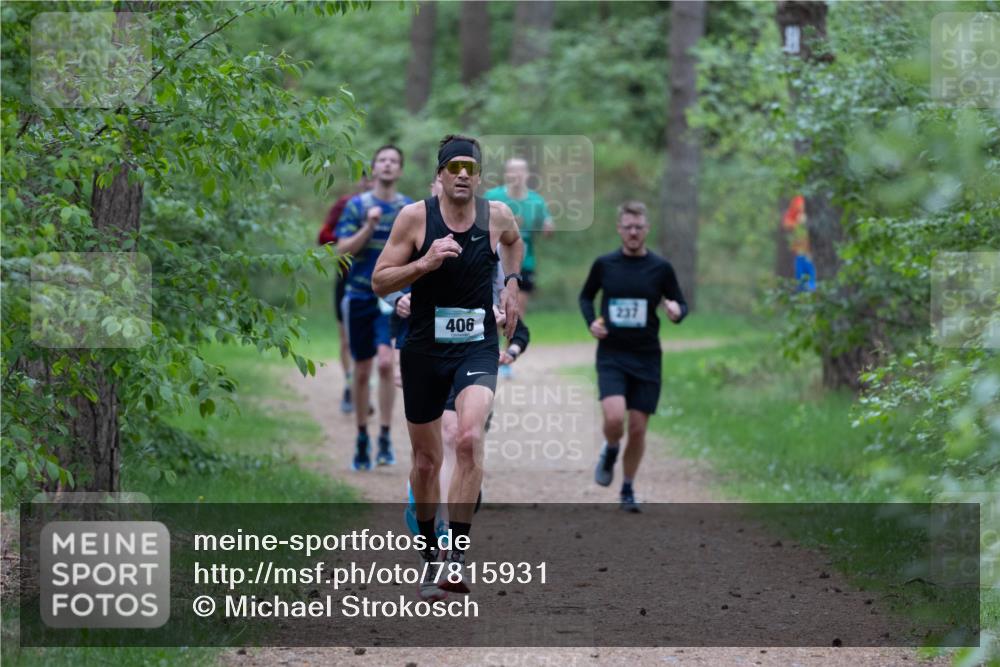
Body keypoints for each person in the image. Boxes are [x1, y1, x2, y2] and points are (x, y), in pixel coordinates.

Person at [372, 134, 523, 600]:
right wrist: (425, 263)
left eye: (470, 168)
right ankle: (429, 554)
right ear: (439, 174)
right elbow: (380, 281)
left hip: (476, 344)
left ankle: (455, 558)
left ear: (479, 177)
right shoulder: (415, 217)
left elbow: (514, 245)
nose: (462, 174)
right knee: (425, 461)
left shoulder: (497, 215)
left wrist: (511, 283)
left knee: (469, 437)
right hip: (423, 349)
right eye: (453, 166)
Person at [578, 201, 687, 513]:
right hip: (612, 353)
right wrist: (591, 322)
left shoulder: (661, 268)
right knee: (614, 419)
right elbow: (586, 296)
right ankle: (611, 448)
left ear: (647, 229)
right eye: (628, 227)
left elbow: (679, 302)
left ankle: (627, 487)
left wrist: (677, 311)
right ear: (619, 229)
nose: (634, 232)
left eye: (639, 227)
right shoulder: (605, 264)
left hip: (647, 356)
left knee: (638, 427)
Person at [335, 146, 413, 470]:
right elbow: (341, 249)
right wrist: (368, 227)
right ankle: (362, 436)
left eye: (394, 161)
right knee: (363, 369)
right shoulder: (357, 206)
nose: (388, 165)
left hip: (394, 298)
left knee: (385, 364)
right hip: (359, 296)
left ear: (400, 170)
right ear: (374, 167)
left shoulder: (409, 209)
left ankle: (384, 435)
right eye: (382, 160)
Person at [485, 158, 553, 378]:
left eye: (520, 171)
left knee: (515, 310)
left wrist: (548, 228)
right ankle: (490, 353)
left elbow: (547, 228)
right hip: (493, 262)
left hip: (525, 263)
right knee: (495, 311)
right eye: (512, 172)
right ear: (506, 174)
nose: (516, 176)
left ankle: (506, 359)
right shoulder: (493, 197)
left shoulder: (536, 201)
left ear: (526, 175)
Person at [318, 172, 370, 414]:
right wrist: (349, 239)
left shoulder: (396, 208)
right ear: (359, 181)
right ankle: (350, 387)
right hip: (346, 279)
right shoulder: (346, 205)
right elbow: (324, 236)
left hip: (379, 282)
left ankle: (365, 387)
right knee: (346, 339)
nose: (369, 183)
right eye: (365, 178)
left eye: (373, 177)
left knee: (377, 342)